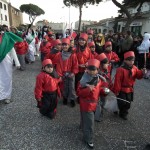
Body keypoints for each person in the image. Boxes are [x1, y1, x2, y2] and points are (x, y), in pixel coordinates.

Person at [77, 59, 109, 149]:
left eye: (93, 69)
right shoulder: (83, 80)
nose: (91, 71)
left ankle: (82, 127)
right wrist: (88, 89)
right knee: (90, 123)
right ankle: (88, 140)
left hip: (95, 103)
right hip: (86, 105)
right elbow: (79, 93)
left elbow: (99, 90)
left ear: (97, 70)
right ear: (86, 69)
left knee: (86, 119)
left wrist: (104, 91)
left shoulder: (98, 79)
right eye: (89, 69)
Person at [113, 51, 146, 120]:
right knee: (122, 102)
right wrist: (117, 90)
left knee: (128, 103)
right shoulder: (120, 69)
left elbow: (138, 76)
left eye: (133, 60)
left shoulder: (134, 68)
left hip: (130, 89)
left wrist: (142, 73)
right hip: (122, 89)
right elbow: (117, 81)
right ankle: (117, 108)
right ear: (125, 60)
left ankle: (124, 113)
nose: (131, 62)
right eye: (130, 60)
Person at [56, 38, 78, 107]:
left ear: (69, 45)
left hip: (71, 73)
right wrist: (60, 74)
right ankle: (65, 98)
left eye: (66, 45)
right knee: (64, 87)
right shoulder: (59, 55)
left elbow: (75, 65)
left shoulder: (73, 55)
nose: (65, 46)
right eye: (63, 45)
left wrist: (73, 73)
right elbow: (58, 65)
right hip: (63, 74)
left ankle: (72, 99)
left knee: (71, 87)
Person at [0, 31, 22, 104]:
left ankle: (7, 96)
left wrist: (17, 63)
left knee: (7, 80)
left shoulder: (7, 41)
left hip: (6, 65)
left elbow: (13, 52)